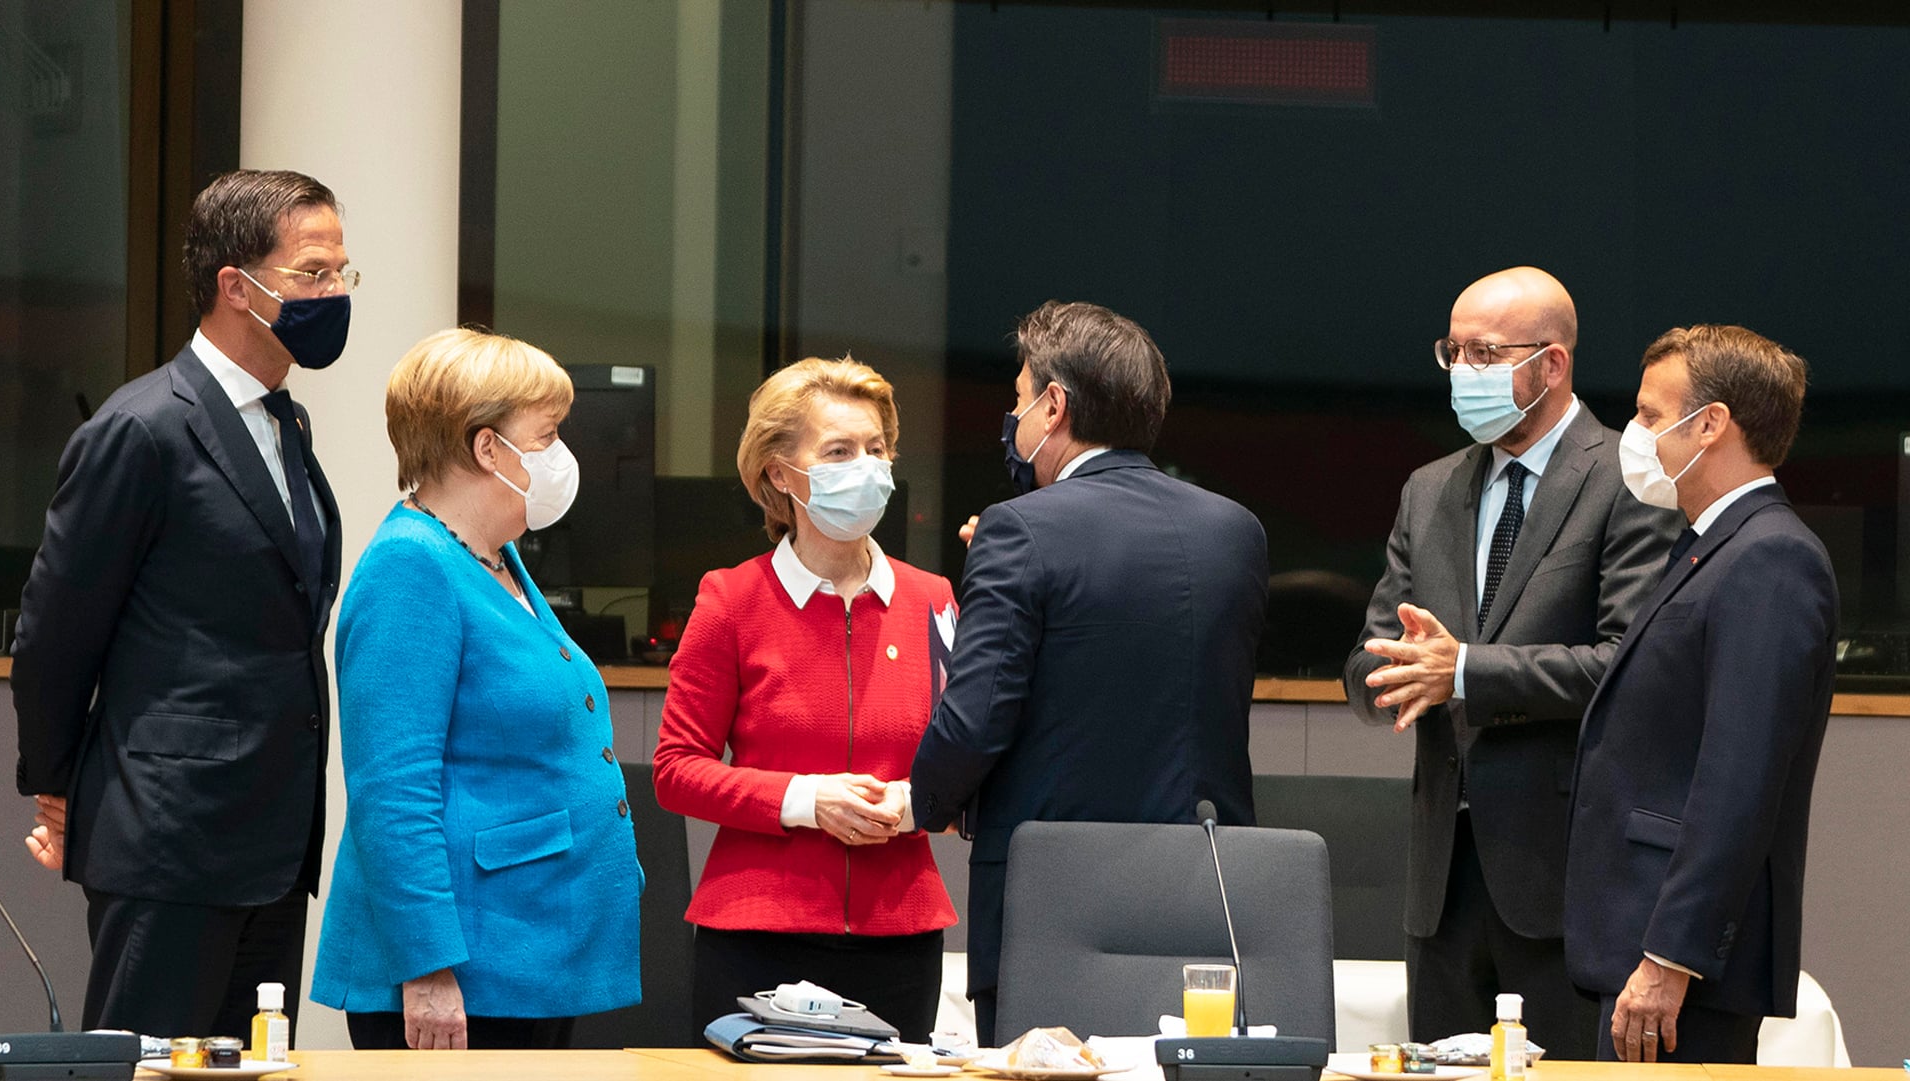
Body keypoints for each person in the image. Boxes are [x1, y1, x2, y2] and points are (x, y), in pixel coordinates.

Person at [12, 169, 348, 1036]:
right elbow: (55, 634)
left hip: (274, 841)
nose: (335, 293)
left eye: (342, 272)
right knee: (146, 1065)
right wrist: (57, 786)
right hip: (170, 836)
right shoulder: (141, 428)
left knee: (254, 1062)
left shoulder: (286, 424)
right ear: (236, 286)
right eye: (313, 272)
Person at [909, 300, 1270, 1045]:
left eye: (1017, 399)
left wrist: (927, 799)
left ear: (1054, 404)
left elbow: (976, 717)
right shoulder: (1235, 530)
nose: (1012, 419)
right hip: (1207, 887)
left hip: (1053, 899)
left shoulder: (1017, 529)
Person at [1342, 267, 1679, 1058]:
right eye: (1453, 351)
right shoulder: (1429, 488)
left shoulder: (1629, 480)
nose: (1463, 371)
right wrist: (1388, 677)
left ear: (1552, 364)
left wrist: (1463, 671)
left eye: (1485, 353)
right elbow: (1368, 658)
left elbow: (1623, 665)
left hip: (1563, 881)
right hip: (1441, 886)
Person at [309, 327, 643, 1049]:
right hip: (463, 964)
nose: (561, 454)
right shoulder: (410, 566)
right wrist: (427, 966)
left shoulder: (496, 557)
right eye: (547, 435)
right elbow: (393, 791)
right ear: (488, 448)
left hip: (532, 944)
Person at [652, 357, 958, 1043]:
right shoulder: (731, 599)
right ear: (779, 474)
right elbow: (676, 769)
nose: (867, 467)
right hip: (757, 934)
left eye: (877, 449)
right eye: (840, 451)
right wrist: (806, 799)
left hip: (900, 937)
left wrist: (912, 805)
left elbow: (964, 767)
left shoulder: (932, 600)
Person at [1565, 324, 1835, 1064]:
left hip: (1681, 974)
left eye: (1650, 415)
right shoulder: (1705, 545)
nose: (1635, 433)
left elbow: (1740, 779)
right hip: (1637, 945)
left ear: (1711, 424)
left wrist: (1671, 957)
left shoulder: (1770, 556)